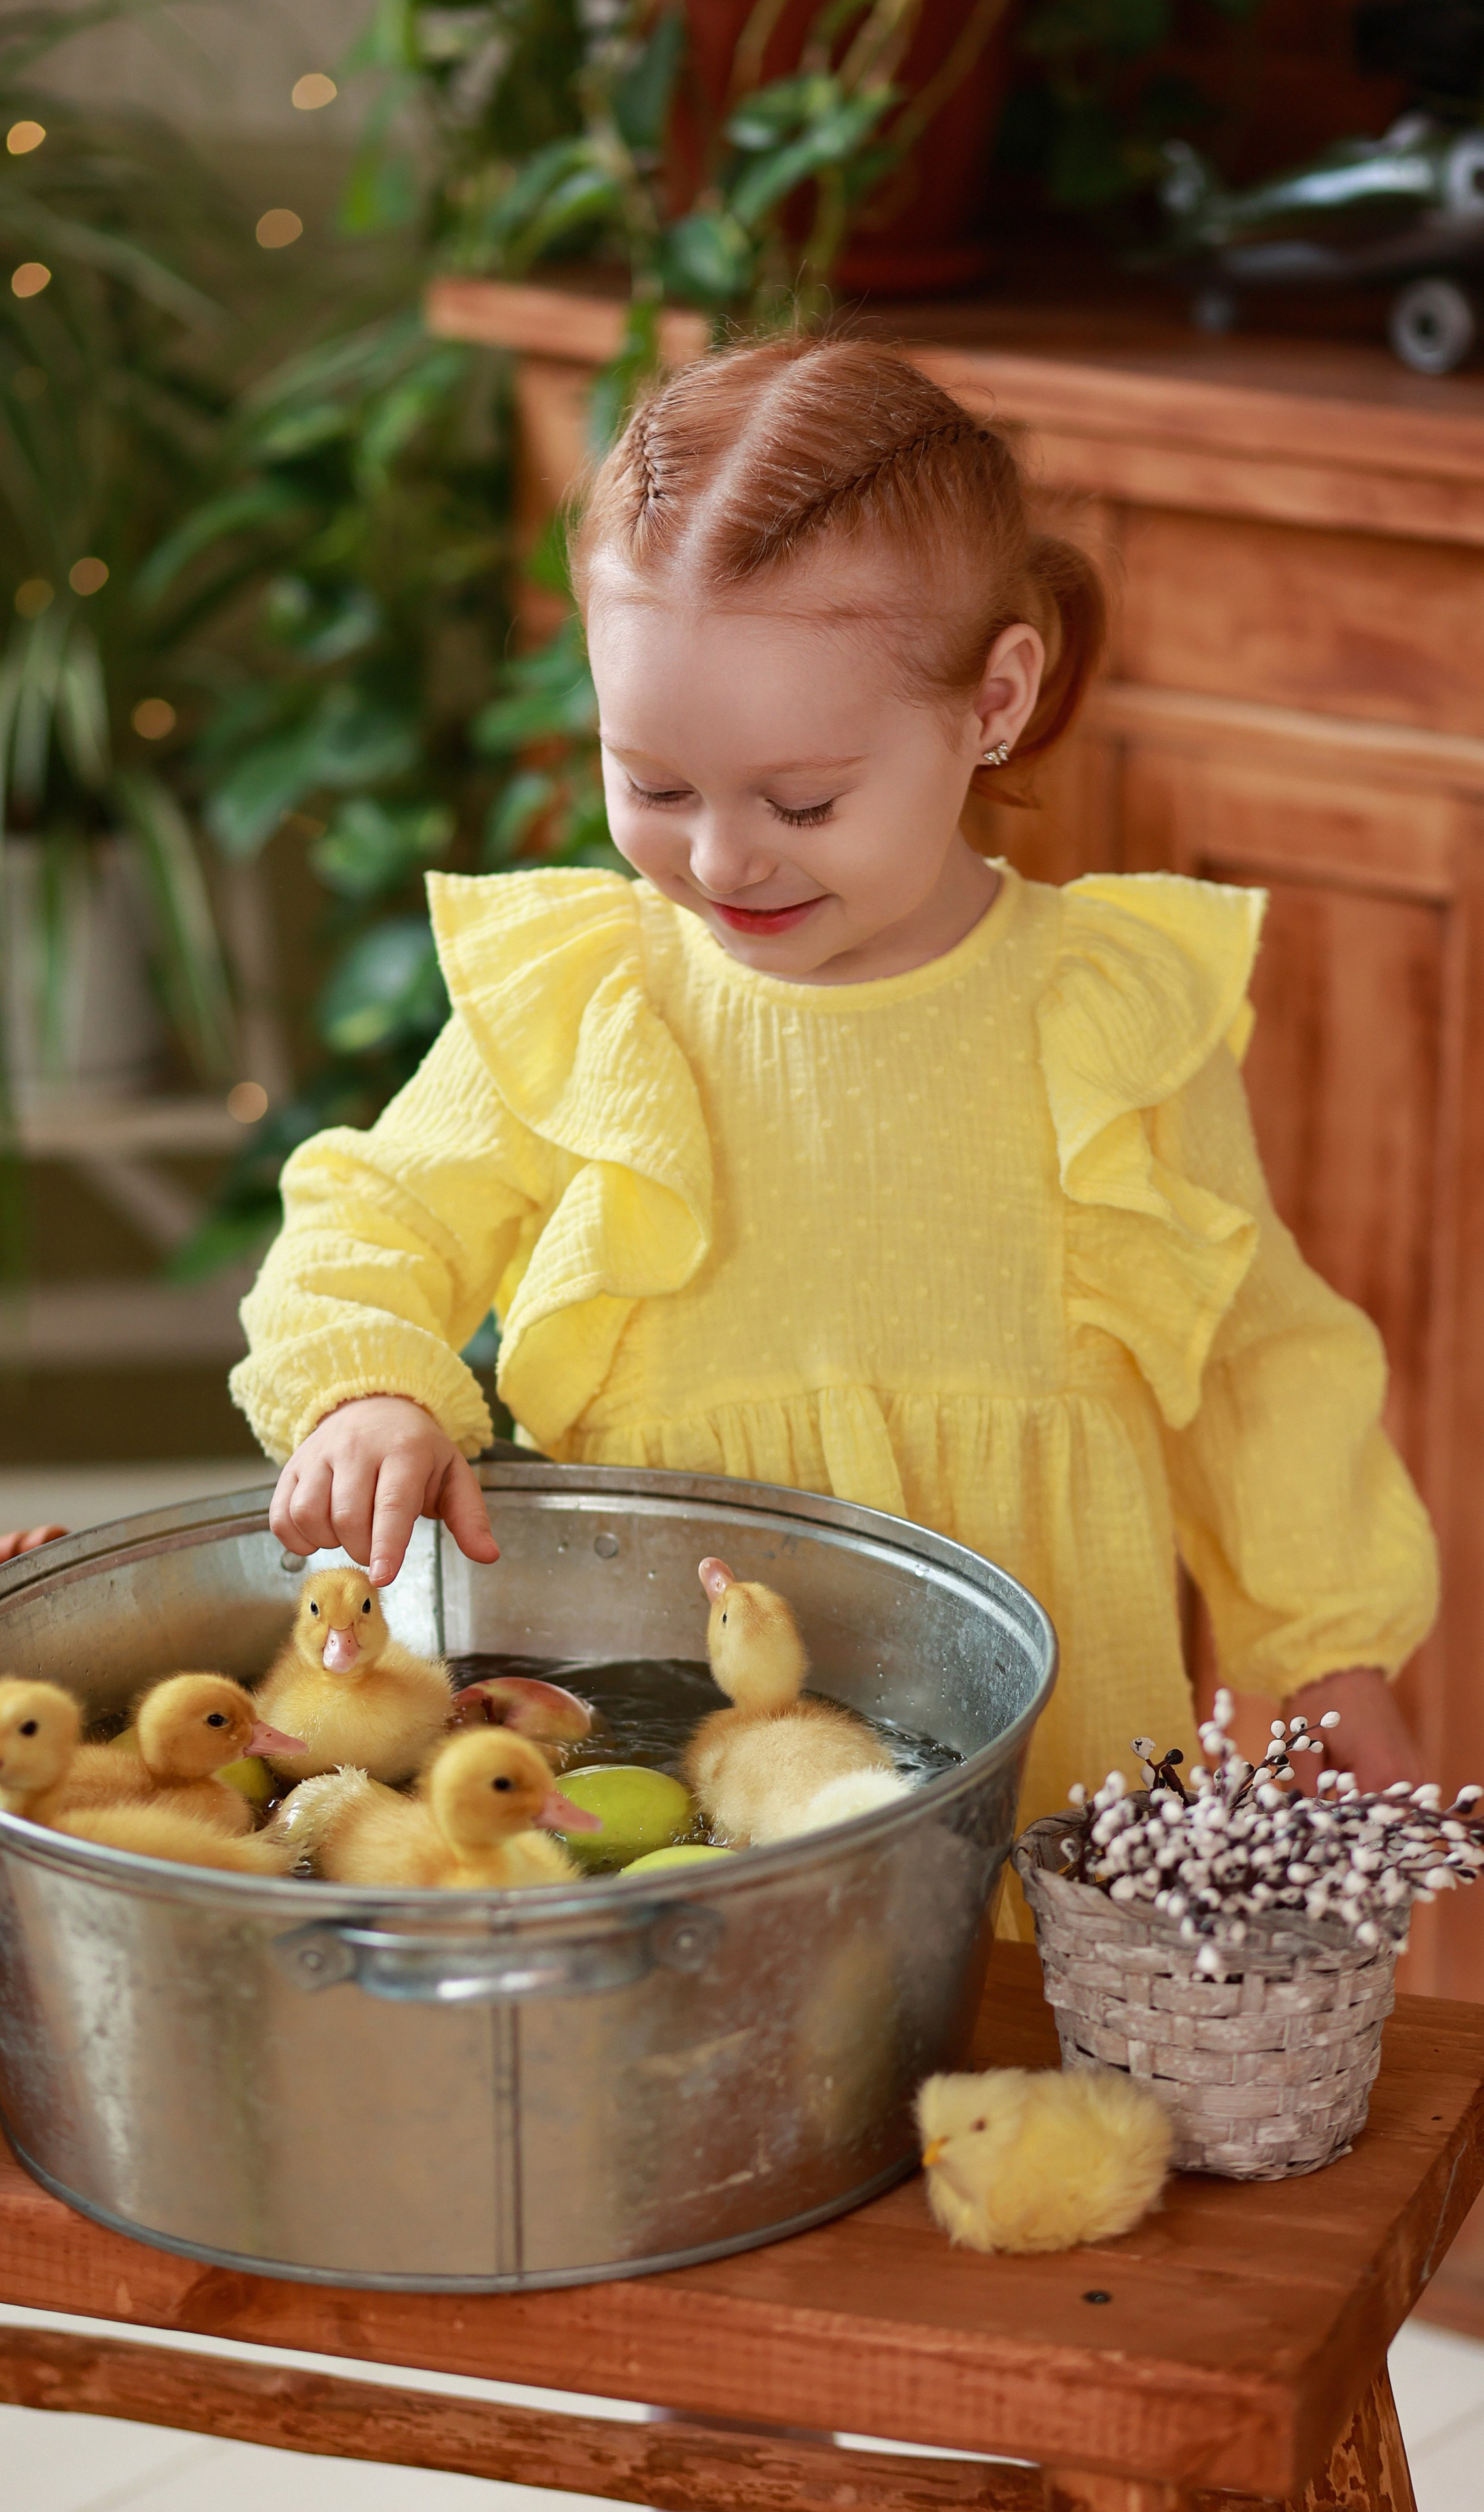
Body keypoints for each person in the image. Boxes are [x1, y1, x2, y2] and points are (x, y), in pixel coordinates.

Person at [230, 336, 1436, 1846]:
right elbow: (374, 1211)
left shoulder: (1105, 1015)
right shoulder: (591, 996)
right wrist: (367, 1384)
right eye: (652, 785)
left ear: (992, 698)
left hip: (1045, 1739)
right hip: (685, 1733)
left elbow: (1256, 1366)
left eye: (800, 800)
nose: (719, 857)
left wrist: (1326, 1649)